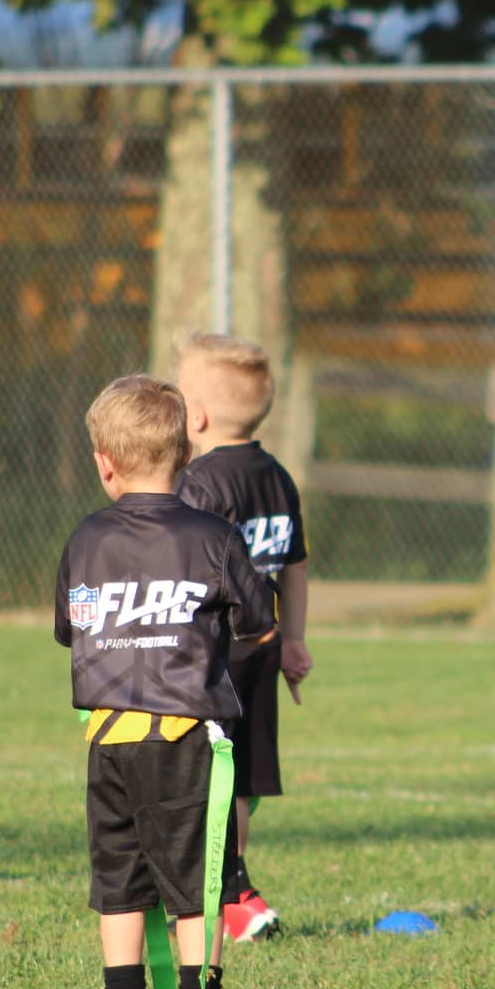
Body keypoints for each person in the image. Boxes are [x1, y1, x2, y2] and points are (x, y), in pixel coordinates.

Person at [55, 374, 280, 989]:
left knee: (120, 879)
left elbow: (72, 630)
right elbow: (258, 622)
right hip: (186, 735)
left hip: (108, 736)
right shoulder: (213, 535)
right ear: (186, 456)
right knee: (197, 883)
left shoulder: (86, 538)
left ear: (104, 463)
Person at [175, 333, 313, 945]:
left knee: (206, 777)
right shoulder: (277, 477)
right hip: (262, 649)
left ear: (197, 416)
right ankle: (233, 889)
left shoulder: (199, 485)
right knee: (239, 780)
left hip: (210, 658)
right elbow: (295, 566)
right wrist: (295, 641)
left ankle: (228, 892)